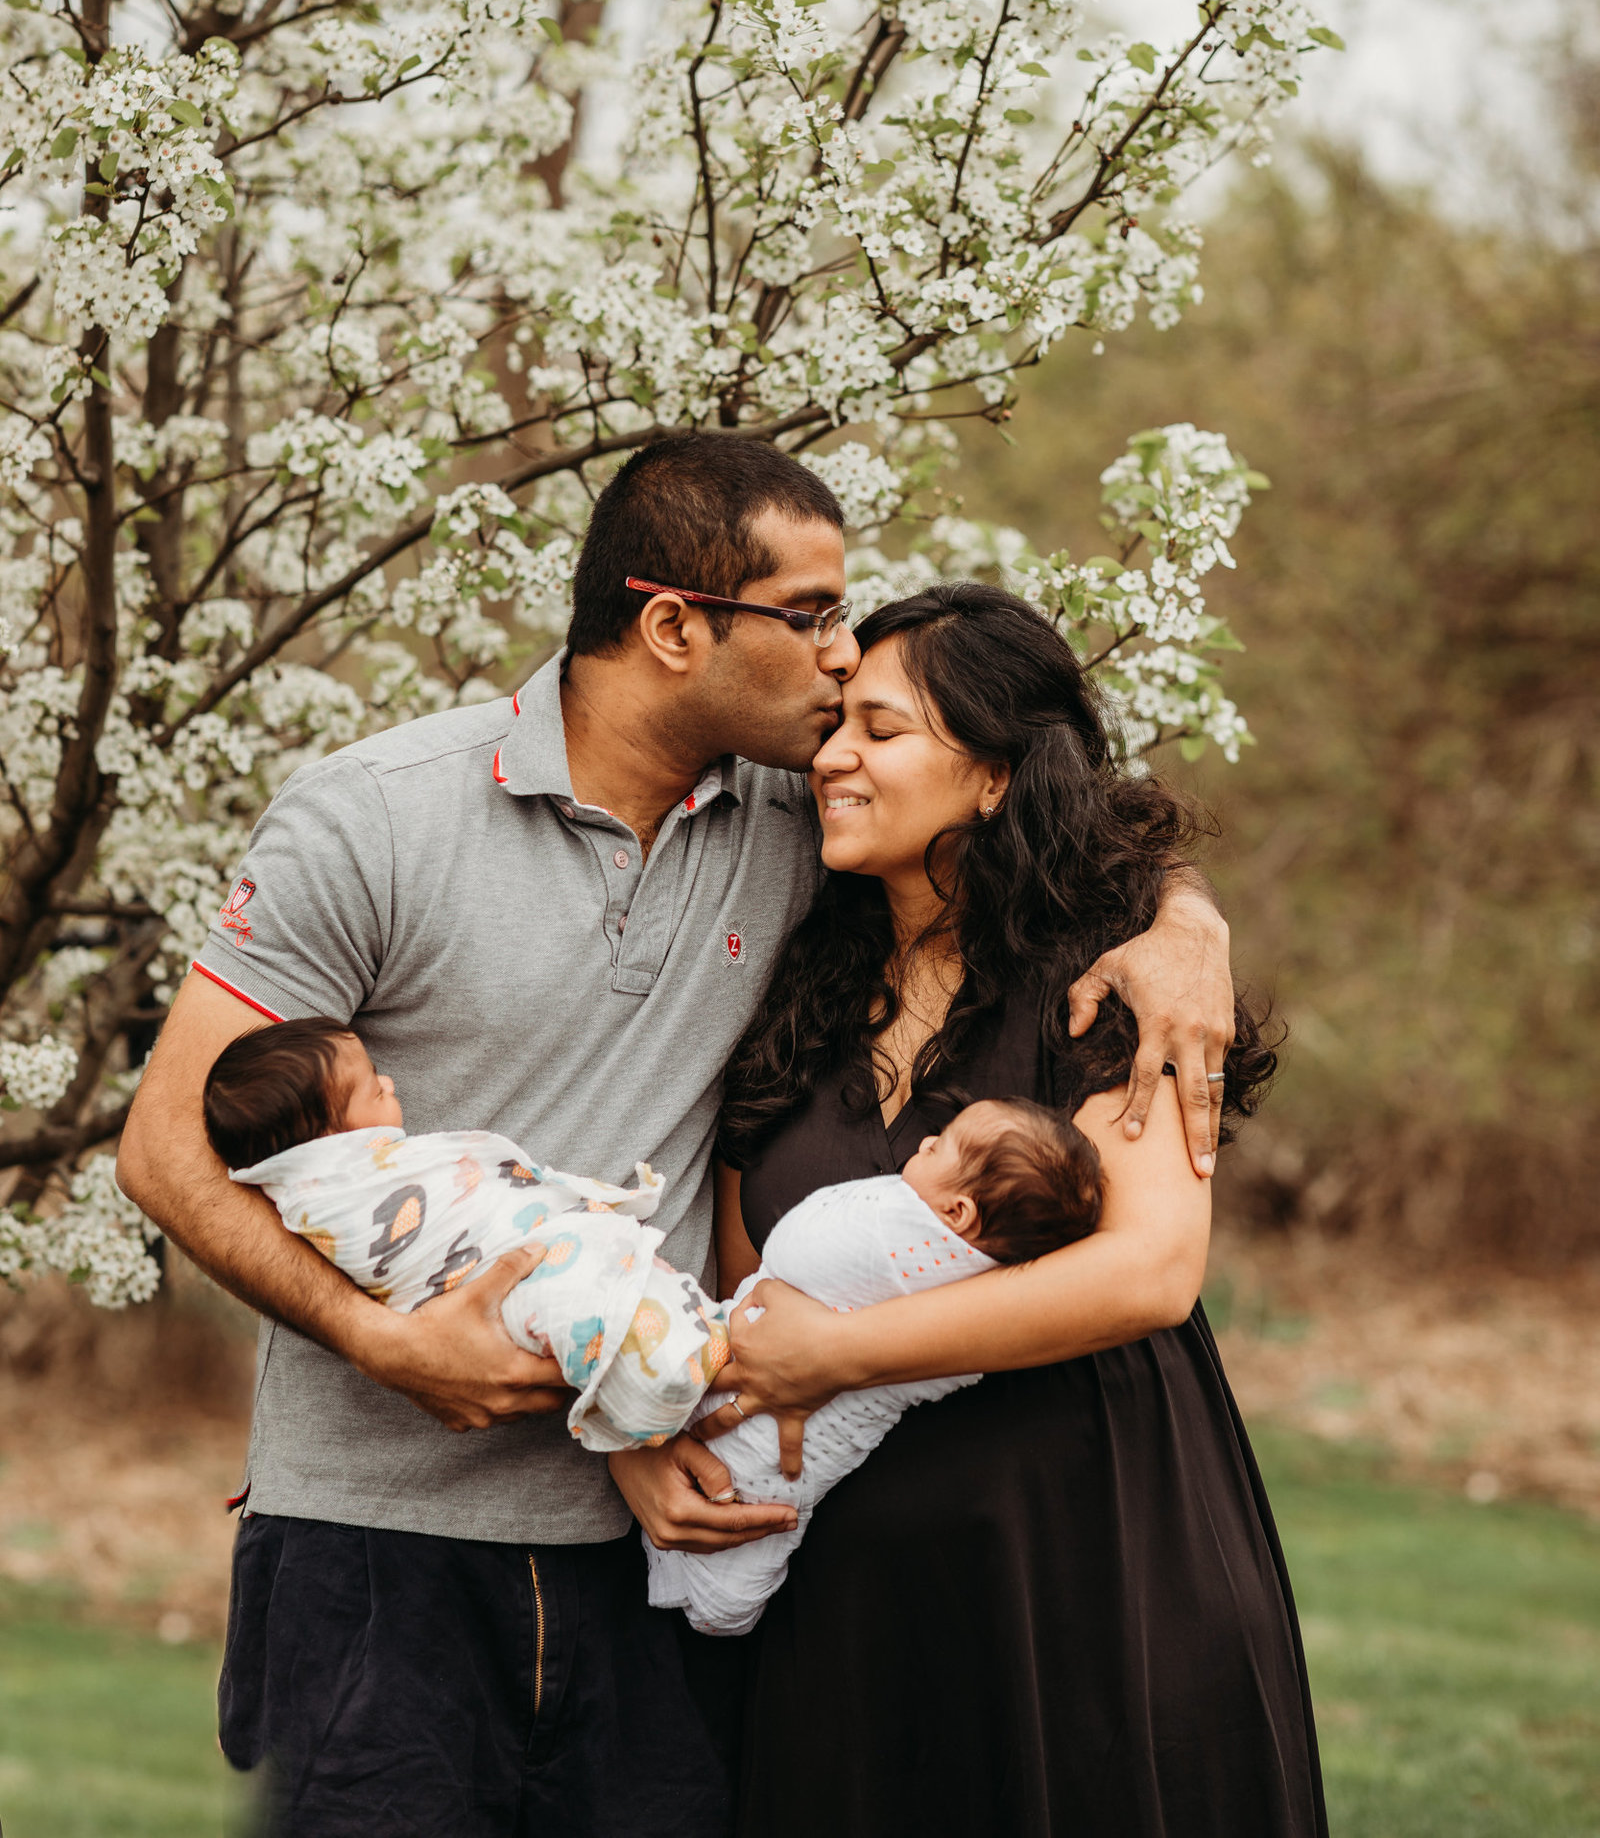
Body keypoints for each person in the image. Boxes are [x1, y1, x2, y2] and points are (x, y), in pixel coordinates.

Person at [117, 433, 1235, 1838]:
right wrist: (383, 1342)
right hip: (384, 1542)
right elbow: (164, 1147)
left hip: (658, 1547)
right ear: (671, 626)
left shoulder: (791, 817)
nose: (841, 661)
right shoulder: (377, 819)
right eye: (812, 616)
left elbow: (1042, 801)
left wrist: (1188, 925)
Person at [708, 583, 1326, 1838]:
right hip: (846, 1614)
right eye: (835, 728)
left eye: (879, 732)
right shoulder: (798, 988)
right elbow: (742, 1281)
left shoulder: (1108, 979)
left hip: (1084, 1571)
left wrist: (833, 1354)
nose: (831, 756)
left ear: (993, 774)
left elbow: (1147, 1271)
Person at [647, 1094, 1102, 1638]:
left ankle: (721, 1605)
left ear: (957, 1214)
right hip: (842, 1554)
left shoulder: (928, 1258)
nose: (927, 1141)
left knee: (755, 1505)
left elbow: (799, 1248)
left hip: (959, 1550)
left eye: (943, 1144)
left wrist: (828, 1346)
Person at [205, 1018, 733, 1450]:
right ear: (330, 1141)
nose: (389, 1083)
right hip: (495, 1285)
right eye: (372, 1087)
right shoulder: (338, 1201)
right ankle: (667, 1370)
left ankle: (685, 1349)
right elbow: (419, 1244)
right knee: (581, 1296)